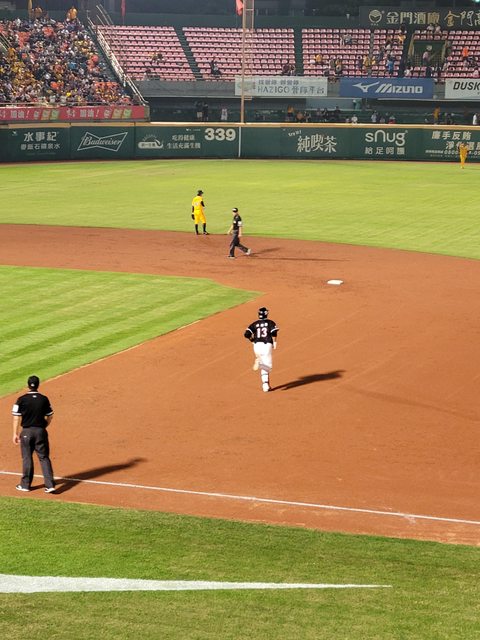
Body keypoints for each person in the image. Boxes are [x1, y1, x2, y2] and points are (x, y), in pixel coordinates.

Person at [12, 375, 56, 493]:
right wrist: (44, 426)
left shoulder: (21, 399)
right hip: (40, 431)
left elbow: (16, 417)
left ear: (28, 385)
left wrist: (15, 433)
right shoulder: (44, 399)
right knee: (44, 457)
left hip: (26, 432)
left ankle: (25, 485)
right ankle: (50, 485)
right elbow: (50, 416)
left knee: (27, 458)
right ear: (38, 385)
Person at [244, 307, 279, 393]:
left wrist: (252, 340)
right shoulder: (270, 322)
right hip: (266, 346)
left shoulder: (254, 324)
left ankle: (265, 385)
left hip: (256, 346)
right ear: (266, 313)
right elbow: (274, 332)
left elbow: (246, 334)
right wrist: (274, 342)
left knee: (265, 365)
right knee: (268, 367)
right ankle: (259, 365)